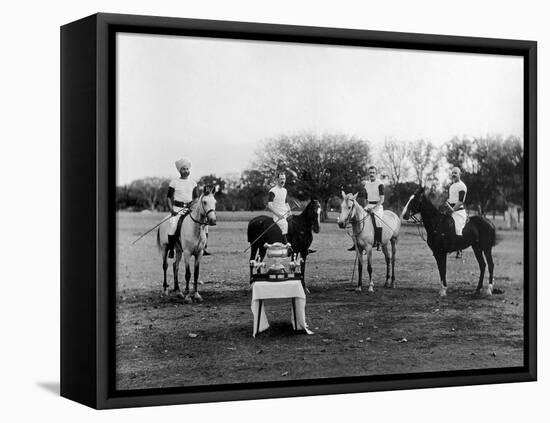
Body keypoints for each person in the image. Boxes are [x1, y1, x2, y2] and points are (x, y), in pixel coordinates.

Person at [166, 158, 205, 258]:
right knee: (173, 225)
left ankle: (203, 247)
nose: (186, 171)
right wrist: (172, 210)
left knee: (203, 224)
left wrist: (192, 205)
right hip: (177, 209)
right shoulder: (174, 182)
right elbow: (169, 198)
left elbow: (196, 198)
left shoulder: (193, 183)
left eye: (187, 169)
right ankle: (171, 249)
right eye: (183, 169)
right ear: (179, 170)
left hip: (190, 209)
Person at [348, 165, 384, 251]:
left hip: (378, 206)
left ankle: (378, 242)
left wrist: (375, 208)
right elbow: (366, 199)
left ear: (376, 173)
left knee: (378, 221)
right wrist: (365, 207)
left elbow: (382, 199)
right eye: (370, 172)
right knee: (357, 218)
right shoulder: (366, 184)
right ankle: (355, 242)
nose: (371, 174)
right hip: (368, 205)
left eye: (373, 173)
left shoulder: (380, 184)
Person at [446, 166, 468, 258]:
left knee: (457, 229)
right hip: (451, 210)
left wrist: (453, 210)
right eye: (453, 173)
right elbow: (451, 199)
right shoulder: (451, 186)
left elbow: (460, 201)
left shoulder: (462, 186)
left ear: (460, 174)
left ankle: (460, 250)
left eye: (456, 173)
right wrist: (446, 203)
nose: (454, 174)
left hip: (459, 212)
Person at [267, 172, 292, 248]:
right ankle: (285, 243)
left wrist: (289, 210)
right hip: (277, 215)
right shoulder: (272, 191)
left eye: (284, 179)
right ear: (277, 180)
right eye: (281, 179)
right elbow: (270, 205)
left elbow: (286, 202)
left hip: (285, 213)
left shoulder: (285, 190)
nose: (283, 181)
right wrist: (278, 214)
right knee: (284, 224)